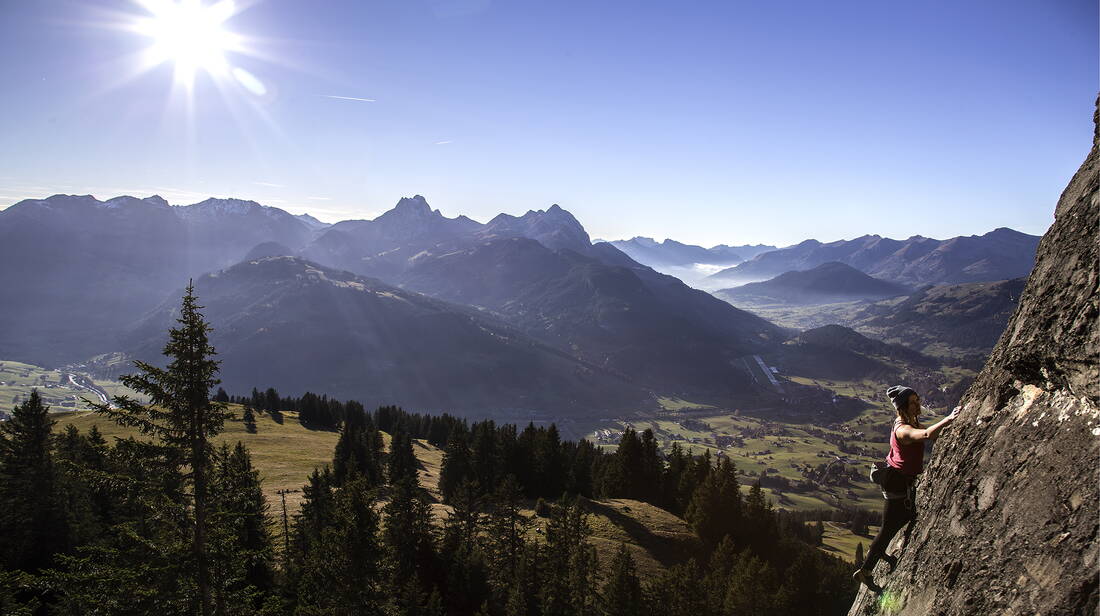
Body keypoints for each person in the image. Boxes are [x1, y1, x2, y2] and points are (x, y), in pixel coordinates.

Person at [852, 385, 960, 592]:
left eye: (918, 400)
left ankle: (880, 552)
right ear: (903, 406)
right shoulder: (903, 429)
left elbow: (927, 433)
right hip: (897, 482)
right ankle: (865, 571)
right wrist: (950, 418)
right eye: (912, 402)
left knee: (902, 519)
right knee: (889, 527)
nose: (918, 404)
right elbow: (928, 434)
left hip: (899, 479)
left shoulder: (909, 421)